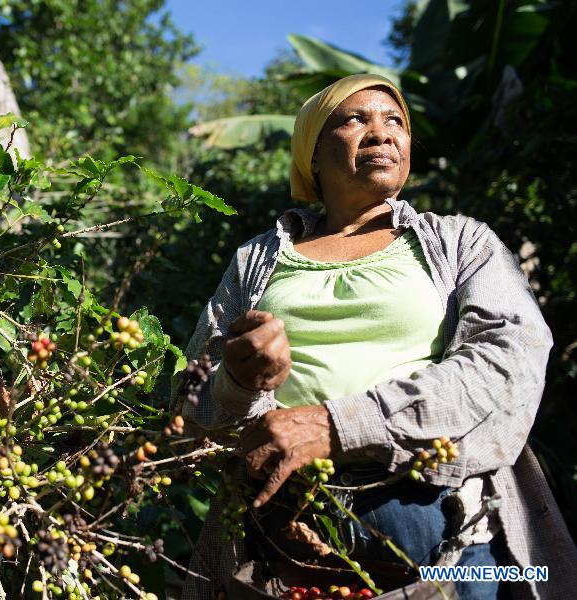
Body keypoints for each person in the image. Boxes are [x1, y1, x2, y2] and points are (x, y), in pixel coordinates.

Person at [174, 74, 577, 600]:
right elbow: (189, 410)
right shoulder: (255, 261)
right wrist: (238, 381)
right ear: (312, 155)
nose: (382, 133)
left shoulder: (461, 243)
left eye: (395, 122)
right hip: (289, 548)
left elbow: (508, 363)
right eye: (355, 119)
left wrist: (335, 426)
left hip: (450, 543)